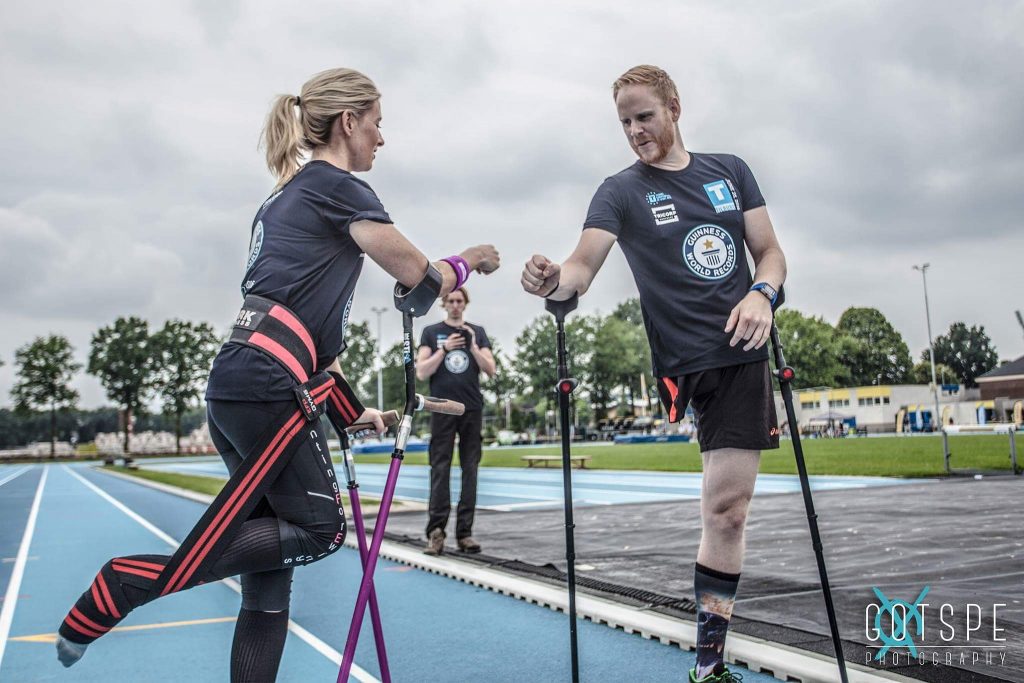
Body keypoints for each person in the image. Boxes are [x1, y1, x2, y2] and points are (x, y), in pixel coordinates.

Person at [56, 67, 499, 682]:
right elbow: (420, 281)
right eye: (377, 123)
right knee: (319, 530)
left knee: (268, 585)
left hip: (245, 381)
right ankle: (130, 582)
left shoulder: (286, 196)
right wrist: (471, 260)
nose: (382, 138)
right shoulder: (335, 187)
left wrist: (353, 413)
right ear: (349, 122)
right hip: (267, 386)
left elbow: (306, 339)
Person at [521, 65, 785, 683]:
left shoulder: (730, 170)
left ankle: (709, 661)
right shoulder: (619, 191)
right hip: (686, 361)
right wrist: (550, 281)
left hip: (744, 350)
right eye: (624, 122)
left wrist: (762, 293)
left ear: (674, 107)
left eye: (644, 116)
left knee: (729, 510)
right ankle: (709, 658)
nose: (636, 131)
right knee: (721, 506)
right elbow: (581, 267)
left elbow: (769, 251)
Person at [416, 287, 496, 555]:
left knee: (470, 469)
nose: (455, 305)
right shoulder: (431, 332)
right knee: (440, 469)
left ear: (465, 304)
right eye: (451, 300)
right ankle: (436, 533)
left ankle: (465, 533)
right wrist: (444, 349)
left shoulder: (476, 332)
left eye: (460, 301)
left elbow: (491, 369)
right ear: (444, 304)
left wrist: (472, 346)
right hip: (442, 408)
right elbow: (421, 371)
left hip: (471, 408)